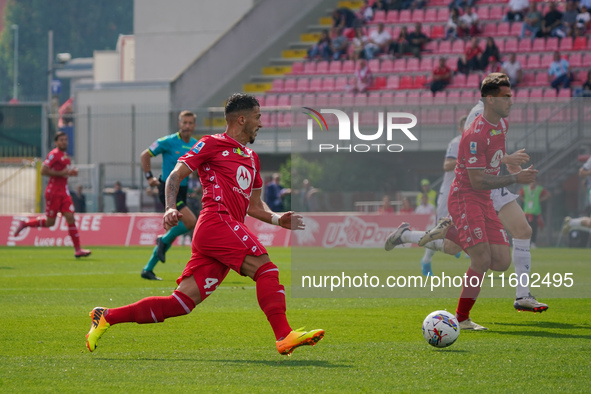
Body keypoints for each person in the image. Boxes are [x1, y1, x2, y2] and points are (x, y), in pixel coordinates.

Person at [85, 93, 324, 356]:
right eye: (258, 117)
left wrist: (278, 218)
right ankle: (284, 335)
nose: (261, 123)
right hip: (216, 221)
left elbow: (255, 205)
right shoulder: (211, 144)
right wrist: (169, 207)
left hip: (222, 231)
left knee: (181, 303)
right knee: (266, 270)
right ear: (241, 119)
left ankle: (106, 316)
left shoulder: (252, 158)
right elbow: (176, 174)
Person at [386, 74, 545, 328]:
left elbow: (492, 155)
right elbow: (477, 181)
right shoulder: (474, 133)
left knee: (501, 262)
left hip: (485, 196)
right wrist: (515, 178)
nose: (511, 102)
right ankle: (461, 318)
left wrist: (506, 159)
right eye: (506, 97)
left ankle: (445, 232)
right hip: (467, 195)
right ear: (490, 100)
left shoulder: (501, 125)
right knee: (480, 259)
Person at [139, 111, 199, 280]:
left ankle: (148, 268)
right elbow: (145, 155)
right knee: (190, 221)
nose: (187, 126)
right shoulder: (168, 141)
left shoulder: (196, 144)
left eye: (190, 123)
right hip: (168, 189)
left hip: (184, 190)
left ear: (194, 125)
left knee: (174, 230)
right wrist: (149, 177)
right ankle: (163, 240)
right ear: (180, 124)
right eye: (184, 123)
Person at [13, 131, 91, 258]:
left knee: (70, 218)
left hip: (64, 192)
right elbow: (43, 170)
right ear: (56, 142)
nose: (64, 142)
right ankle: (25, 224)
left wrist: (70, 173)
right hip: (53, 192)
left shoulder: (65, 156)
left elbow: (63, 172)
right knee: (50, 222)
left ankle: (78, 250)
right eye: (61, 140)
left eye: (65, 140)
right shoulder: (54, 154)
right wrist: (63, 173)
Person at [418, 115, 467, 277]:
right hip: (449, 193)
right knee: (441, 230)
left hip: (468, 192)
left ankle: (476, 260)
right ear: (460, 129)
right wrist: (465, 159)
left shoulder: (479, 143)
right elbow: (447, 165)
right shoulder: (456, 143)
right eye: (466, 125)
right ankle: (426, 260)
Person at [518, 180, 550, 247]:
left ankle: (533, 243)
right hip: (527, 212)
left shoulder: (539, 189)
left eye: (535, 181)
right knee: (525, 228)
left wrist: (540, 200)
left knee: (534, 228)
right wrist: (525, 200)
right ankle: (525, 242)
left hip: (536, 211)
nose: (533, 183)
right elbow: (519, 194)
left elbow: (548, 195)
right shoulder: (525, 189)